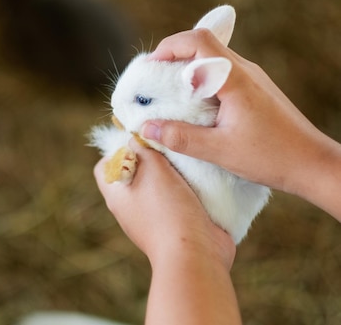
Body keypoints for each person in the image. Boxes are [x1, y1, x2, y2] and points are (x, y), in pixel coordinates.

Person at [94, 27, 341, 325]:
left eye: (144, 101)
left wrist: (183, 242)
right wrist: (313, 161)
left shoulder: (199, 123)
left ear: (198, 84)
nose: (116, 106)